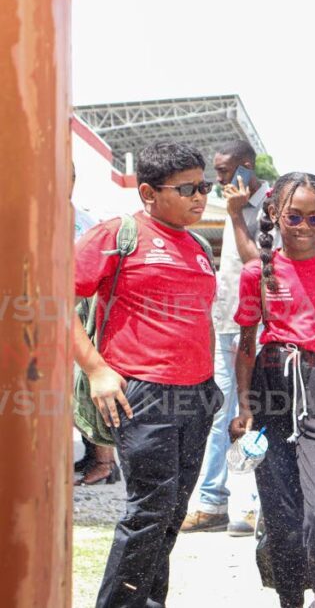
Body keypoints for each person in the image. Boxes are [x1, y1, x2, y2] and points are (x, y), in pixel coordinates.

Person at [74, 141, 221, 607]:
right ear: (148, 193)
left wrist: (210, 389)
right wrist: (96, 369)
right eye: (188, 188)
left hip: (195, 396)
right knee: (149, 513)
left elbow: (199, 318)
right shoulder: (118, 234)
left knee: (171, 513)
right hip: (143, 394)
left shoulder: (197, 244)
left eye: (204, 186)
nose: (201, 196)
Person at [232, 172, 315, 608]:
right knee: (282, 517)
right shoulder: (258, 272)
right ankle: (290, 600)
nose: (305, 227)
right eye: (294, 216)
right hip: (272, 388)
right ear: (273, 214)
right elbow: (246, 347)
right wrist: (244, 406)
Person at [181, 139, 269, 535]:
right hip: (225, 322)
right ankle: (211, 501)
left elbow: (260, 262)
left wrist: (235, 215)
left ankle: (251, 505)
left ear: (247, 166)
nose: (218, 182)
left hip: (261, 328)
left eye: (225, 172)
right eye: (215, 174)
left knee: (251, 414)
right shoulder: (231, 200)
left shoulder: (275, 204)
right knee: (218, 413)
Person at [71, 161, 122, 487]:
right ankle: (97, 458)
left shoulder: (82, 223)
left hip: (76, 314)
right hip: (65, 311)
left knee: (83, 386)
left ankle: (103, 463)